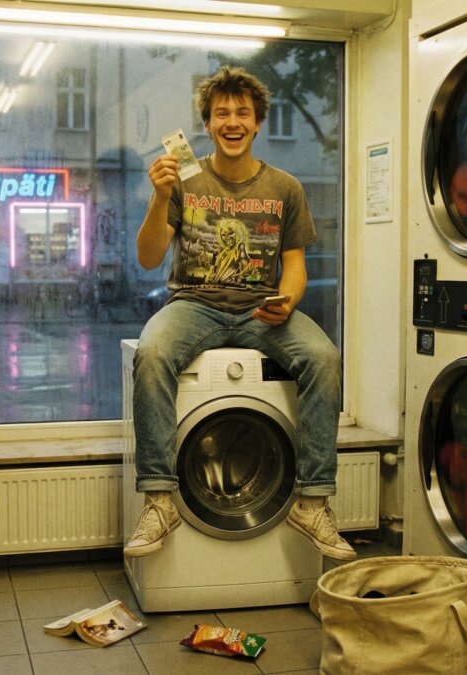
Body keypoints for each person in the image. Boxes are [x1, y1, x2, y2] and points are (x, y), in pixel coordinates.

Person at [124, 65, 354, 562]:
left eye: (243, 113)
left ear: (257, 123)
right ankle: (160, 501)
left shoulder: (285, 187)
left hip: (261, 310)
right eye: (221, 113)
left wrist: (286, 300)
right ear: (207, 124)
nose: (233, 122)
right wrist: (160, 196)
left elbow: (295, 266)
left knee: (323, 358)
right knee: (153, 353)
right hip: (194, 305)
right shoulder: (183, 180)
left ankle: (313, 502)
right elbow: (148, 256)